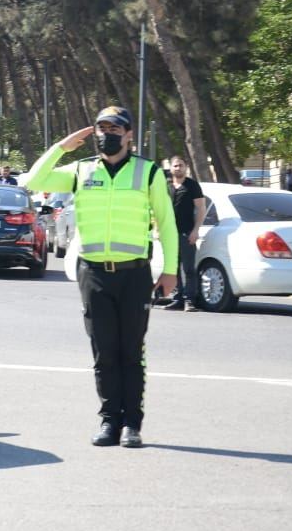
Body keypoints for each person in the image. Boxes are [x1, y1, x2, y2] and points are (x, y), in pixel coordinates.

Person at [24, 106, 178, 449]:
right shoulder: (81, 170)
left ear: (129, 135)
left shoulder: (148, 172)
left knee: (131, 351)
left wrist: (170, 270)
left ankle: (132, 424)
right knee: (104, 351)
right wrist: (62, 147)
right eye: (101, 129)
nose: (106, 135)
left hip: (134, 273)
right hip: (93, 273)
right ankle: (110, 420)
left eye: (114, 129)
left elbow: (167, 223)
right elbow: (33, 181)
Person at [164, 156, 205, 312]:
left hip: (186, 233)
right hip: (169, 234)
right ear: (171, 168)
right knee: (173, 268)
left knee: (188, 269)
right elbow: (160, 209)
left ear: (186, 167)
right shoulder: (166, 186)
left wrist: (195, 230)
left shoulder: (192, 185)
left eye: (181, 165)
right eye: (175, 166)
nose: (178, 168)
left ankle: (189, 300)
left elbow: (201, 208)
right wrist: (158, 229)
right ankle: (178, 298)